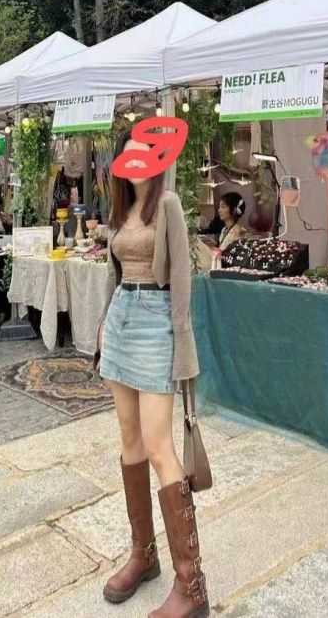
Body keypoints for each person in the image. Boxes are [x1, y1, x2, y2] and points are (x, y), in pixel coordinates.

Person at [95, 129, 209, 617]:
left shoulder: (168, 204)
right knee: (130, 439)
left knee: (160, 444)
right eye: (128, 154)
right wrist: (104, 324)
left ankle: (191, 583)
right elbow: (114, 273)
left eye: (142, 153)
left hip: (156, 322)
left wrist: (183, 348)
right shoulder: (121, 209)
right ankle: (143, 554)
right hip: (121, 318)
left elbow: (181, 276)